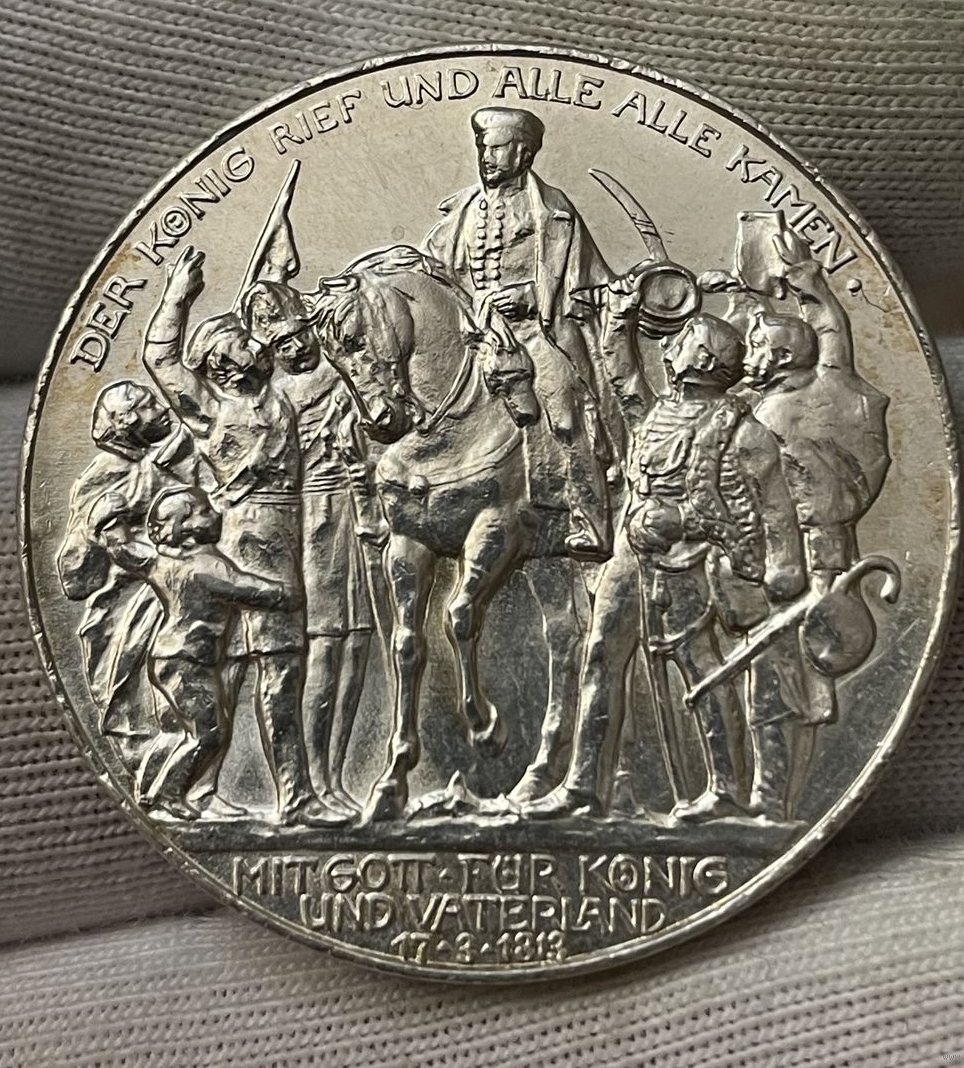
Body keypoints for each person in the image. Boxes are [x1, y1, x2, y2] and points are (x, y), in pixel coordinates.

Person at [530, 282, 805, 821]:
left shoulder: (745, 435)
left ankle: (725, 789)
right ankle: (583, 783)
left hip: (691, 563)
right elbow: (619, 371)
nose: (667, 348)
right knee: (600, 655)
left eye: (678, 341)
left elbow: (772, 514)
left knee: (700, 669)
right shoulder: (654, 413)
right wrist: (620, 314)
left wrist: (685, 521)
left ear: (700, 360)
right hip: (631, 558)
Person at [705, 226, 891, 821]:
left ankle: (770, 798)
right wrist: (810, 285)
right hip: (798, 559)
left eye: (756, 347)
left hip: (799, 565)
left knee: (778, 683)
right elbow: (833, 335)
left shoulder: (771, 414)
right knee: (778, 679)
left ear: (782, 358)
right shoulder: (832, 384)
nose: (746, 355)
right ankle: (765, 793)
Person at [142, 245, 327, 825]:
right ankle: (284, 797)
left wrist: (274, 277)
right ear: (223, 360)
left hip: (286, 535)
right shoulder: (211, 410)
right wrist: (177, 298)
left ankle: (286, 793)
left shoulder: (277, 397)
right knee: (270, 666)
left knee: (283, 667)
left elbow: (283, 318)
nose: (258, 343)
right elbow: (159, 358)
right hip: (249, 543)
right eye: (245, 340)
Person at [423, 105, 614, 558]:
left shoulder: (554, 211)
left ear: (523, 154)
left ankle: (591, 523)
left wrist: (531, 295)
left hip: (536, 333)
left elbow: (585, 283)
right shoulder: (460, 212)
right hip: (474, 334)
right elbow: (436, 275)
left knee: (566, 416)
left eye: (496, 149)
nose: (486, 158)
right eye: (482, 149)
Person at [242, 278, 379, 822]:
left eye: (299, 333)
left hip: (365, 506)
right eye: (280, 343)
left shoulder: (347, 368)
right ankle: (313, 776)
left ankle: (336, 775)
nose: (296, 347)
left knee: (358, 642)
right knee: (326, 643)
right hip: (315, 518)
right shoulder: (273, 397)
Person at [96, 485, 297, 821]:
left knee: (193, 732)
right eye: (205, 511)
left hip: (172, 660)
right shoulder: (206, 568)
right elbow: (247, 588)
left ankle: (153, 792)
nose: (215, 513)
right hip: (187, 662)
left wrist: (112, 522)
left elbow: (124, 550)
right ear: (186, 527)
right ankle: (167, 794)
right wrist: (284, 593)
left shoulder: (161, 562)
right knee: (209, 735)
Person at [57, 381, 193, 751]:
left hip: (183, 592)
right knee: (144, 692)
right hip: (134, 602)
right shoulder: (107, 474)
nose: (163, 409)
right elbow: (76, 571)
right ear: (126, 423)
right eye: (150, 406)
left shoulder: (165, 460)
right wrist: (97, 528)